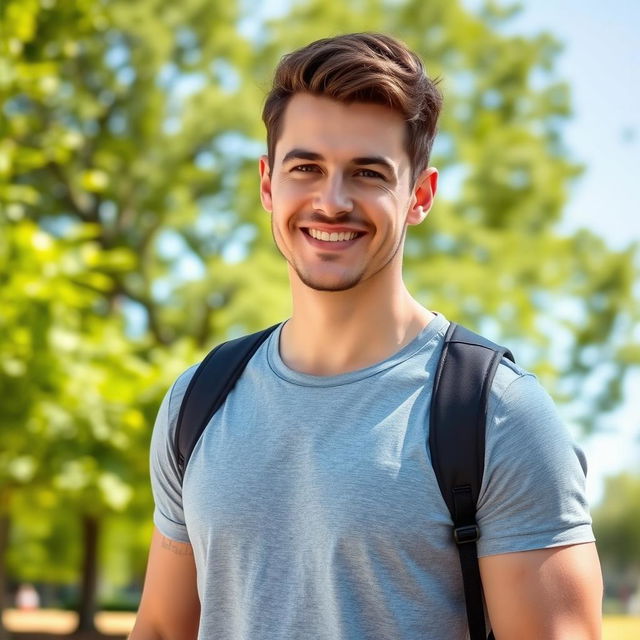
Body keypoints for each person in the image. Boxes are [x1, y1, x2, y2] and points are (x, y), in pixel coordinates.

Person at [130, 33, 602, 639]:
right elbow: (164, 629)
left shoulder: (497, 415)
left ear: (420, 196)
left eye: (367, 173)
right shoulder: (198, 401)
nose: (332, 201)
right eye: (306, 168)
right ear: (268, 184)